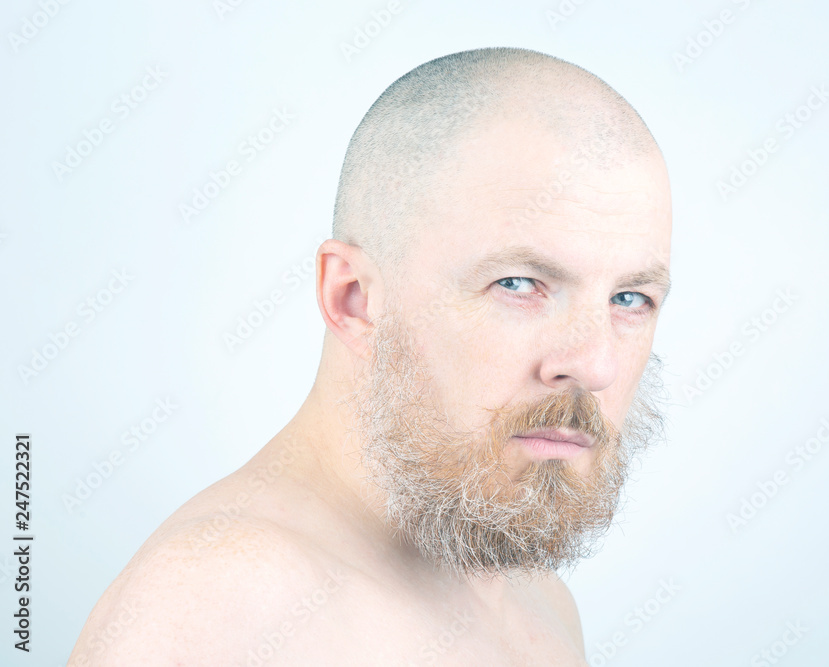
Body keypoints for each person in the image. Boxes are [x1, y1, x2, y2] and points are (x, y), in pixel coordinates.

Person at [69, 46, 673, 666]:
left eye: (630, 298)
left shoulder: (539, 604)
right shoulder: (216, 608)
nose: (595, 365)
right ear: (353, 298)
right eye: (518, 284)